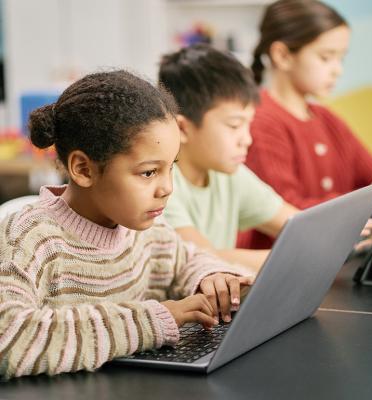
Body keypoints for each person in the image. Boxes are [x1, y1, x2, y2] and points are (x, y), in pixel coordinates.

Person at [0, 70, 252, 379]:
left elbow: (185, 259)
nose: (167, 188)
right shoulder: (29, 239)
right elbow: (8, 338)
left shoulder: (144, 230)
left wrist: (210, 276)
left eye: (170, 167)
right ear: (83, 169)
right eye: (148, 172)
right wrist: (151, 321)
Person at [238, 0, 372, 249]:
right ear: (282, 55)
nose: (337, 70)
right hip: (280, 268)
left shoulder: (326, 119)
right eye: (326, 58)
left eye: (341, 59)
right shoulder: (260, 121)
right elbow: (287, 210)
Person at [159, 43, 300, 273]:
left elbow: (299, 227)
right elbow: (202, 259)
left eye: (248, 124)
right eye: (234, 125)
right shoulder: (161, 188)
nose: (247, 139)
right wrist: (290, 256)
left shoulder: (229, 173)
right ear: (182, 129)